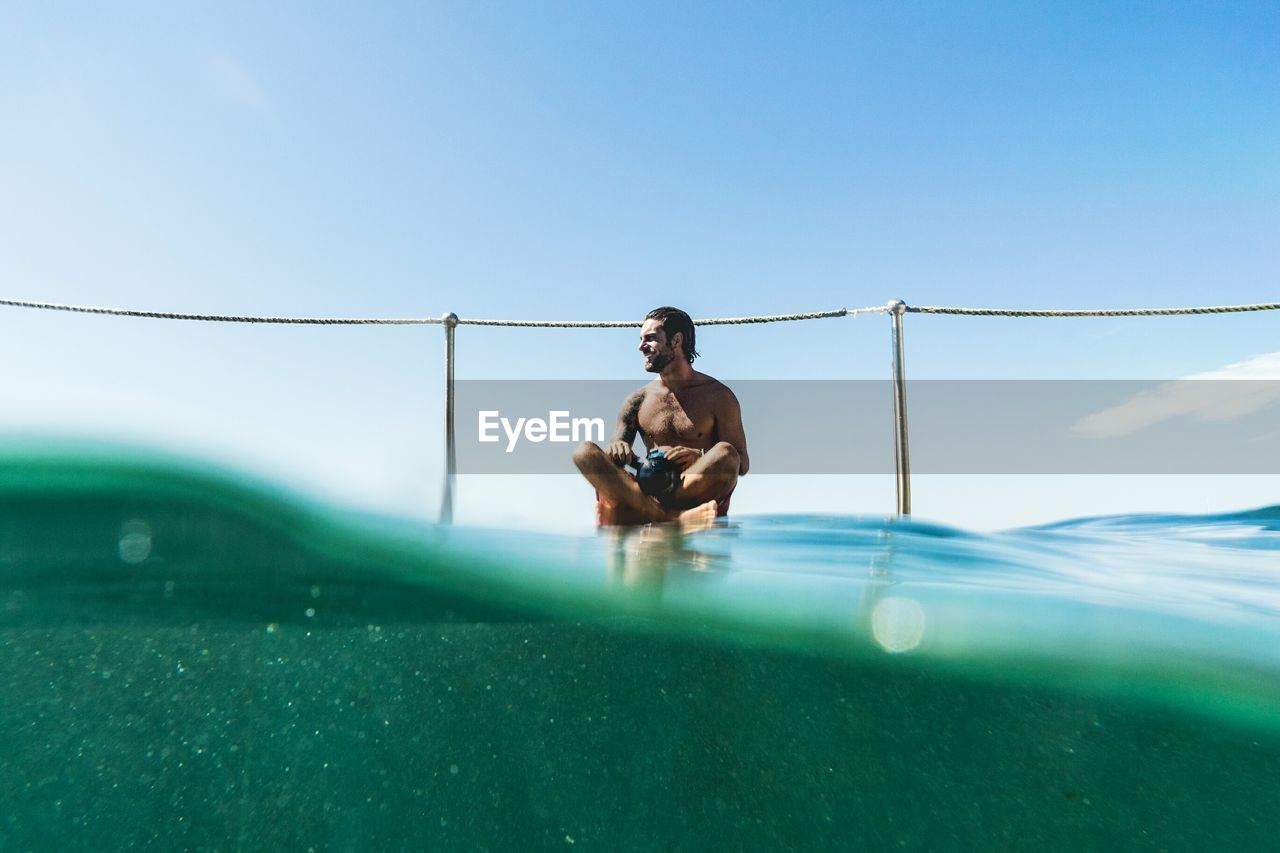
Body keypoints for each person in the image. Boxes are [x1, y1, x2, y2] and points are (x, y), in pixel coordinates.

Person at [572, 306, 749, 526]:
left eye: (650, 338)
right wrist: (617, 448)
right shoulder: (637, 399)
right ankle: (665, 516)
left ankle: (644, 513)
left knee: (726, 453)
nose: (641, 347)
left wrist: (700, 456)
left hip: (691, 488)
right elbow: (615, 459)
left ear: (676, 340)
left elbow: (741, 464)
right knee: (584, 452)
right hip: (647, 488)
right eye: (640, 339)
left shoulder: (718, 396)